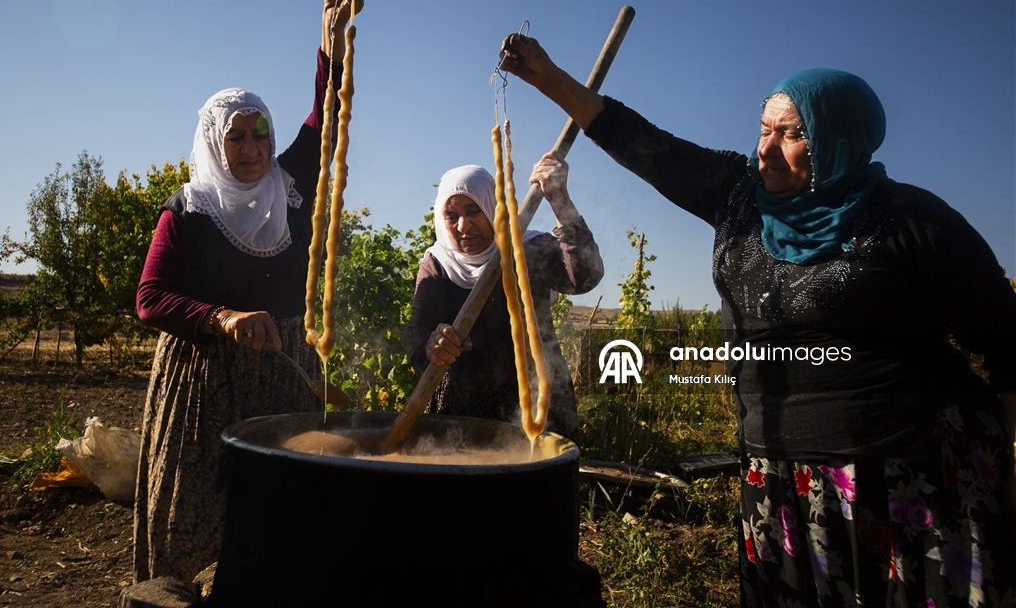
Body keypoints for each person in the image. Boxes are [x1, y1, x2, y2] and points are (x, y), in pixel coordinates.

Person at [500, 34, 1016, 607]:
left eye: (795, 133)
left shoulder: (912, 221)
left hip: (906, 479)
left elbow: (1009, 345)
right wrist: (547, 77)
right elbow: (643, 142)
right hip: (778, 473)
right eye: (764, 129)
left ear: (840, 139)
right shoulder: (737, 196)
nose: (768, 149)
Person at [132, 0, 363, 585]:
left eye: (261, 132)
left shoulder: (289, 189)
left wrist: (331, 38)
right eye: (236, 136)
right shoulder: (189, 210)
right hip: (207, 380)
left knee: (284, 510)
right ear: (214, 142)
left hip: (285, 371)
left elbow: (329, 113)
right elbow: (149, 300)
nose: (253, 147)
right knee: (197, 511)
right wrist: (222, 317)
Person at [404, 153, 604, 440]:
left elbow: (584, 277)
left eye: (473, 211)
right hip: (463, 407)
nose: (463, 225)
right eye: (451, 215)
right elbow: (416, 330)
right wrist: (431, 346)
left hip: (536, 396)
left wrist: (560, 200)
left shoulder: (527, 248)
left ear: (491, 208)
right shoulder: (438, 264)